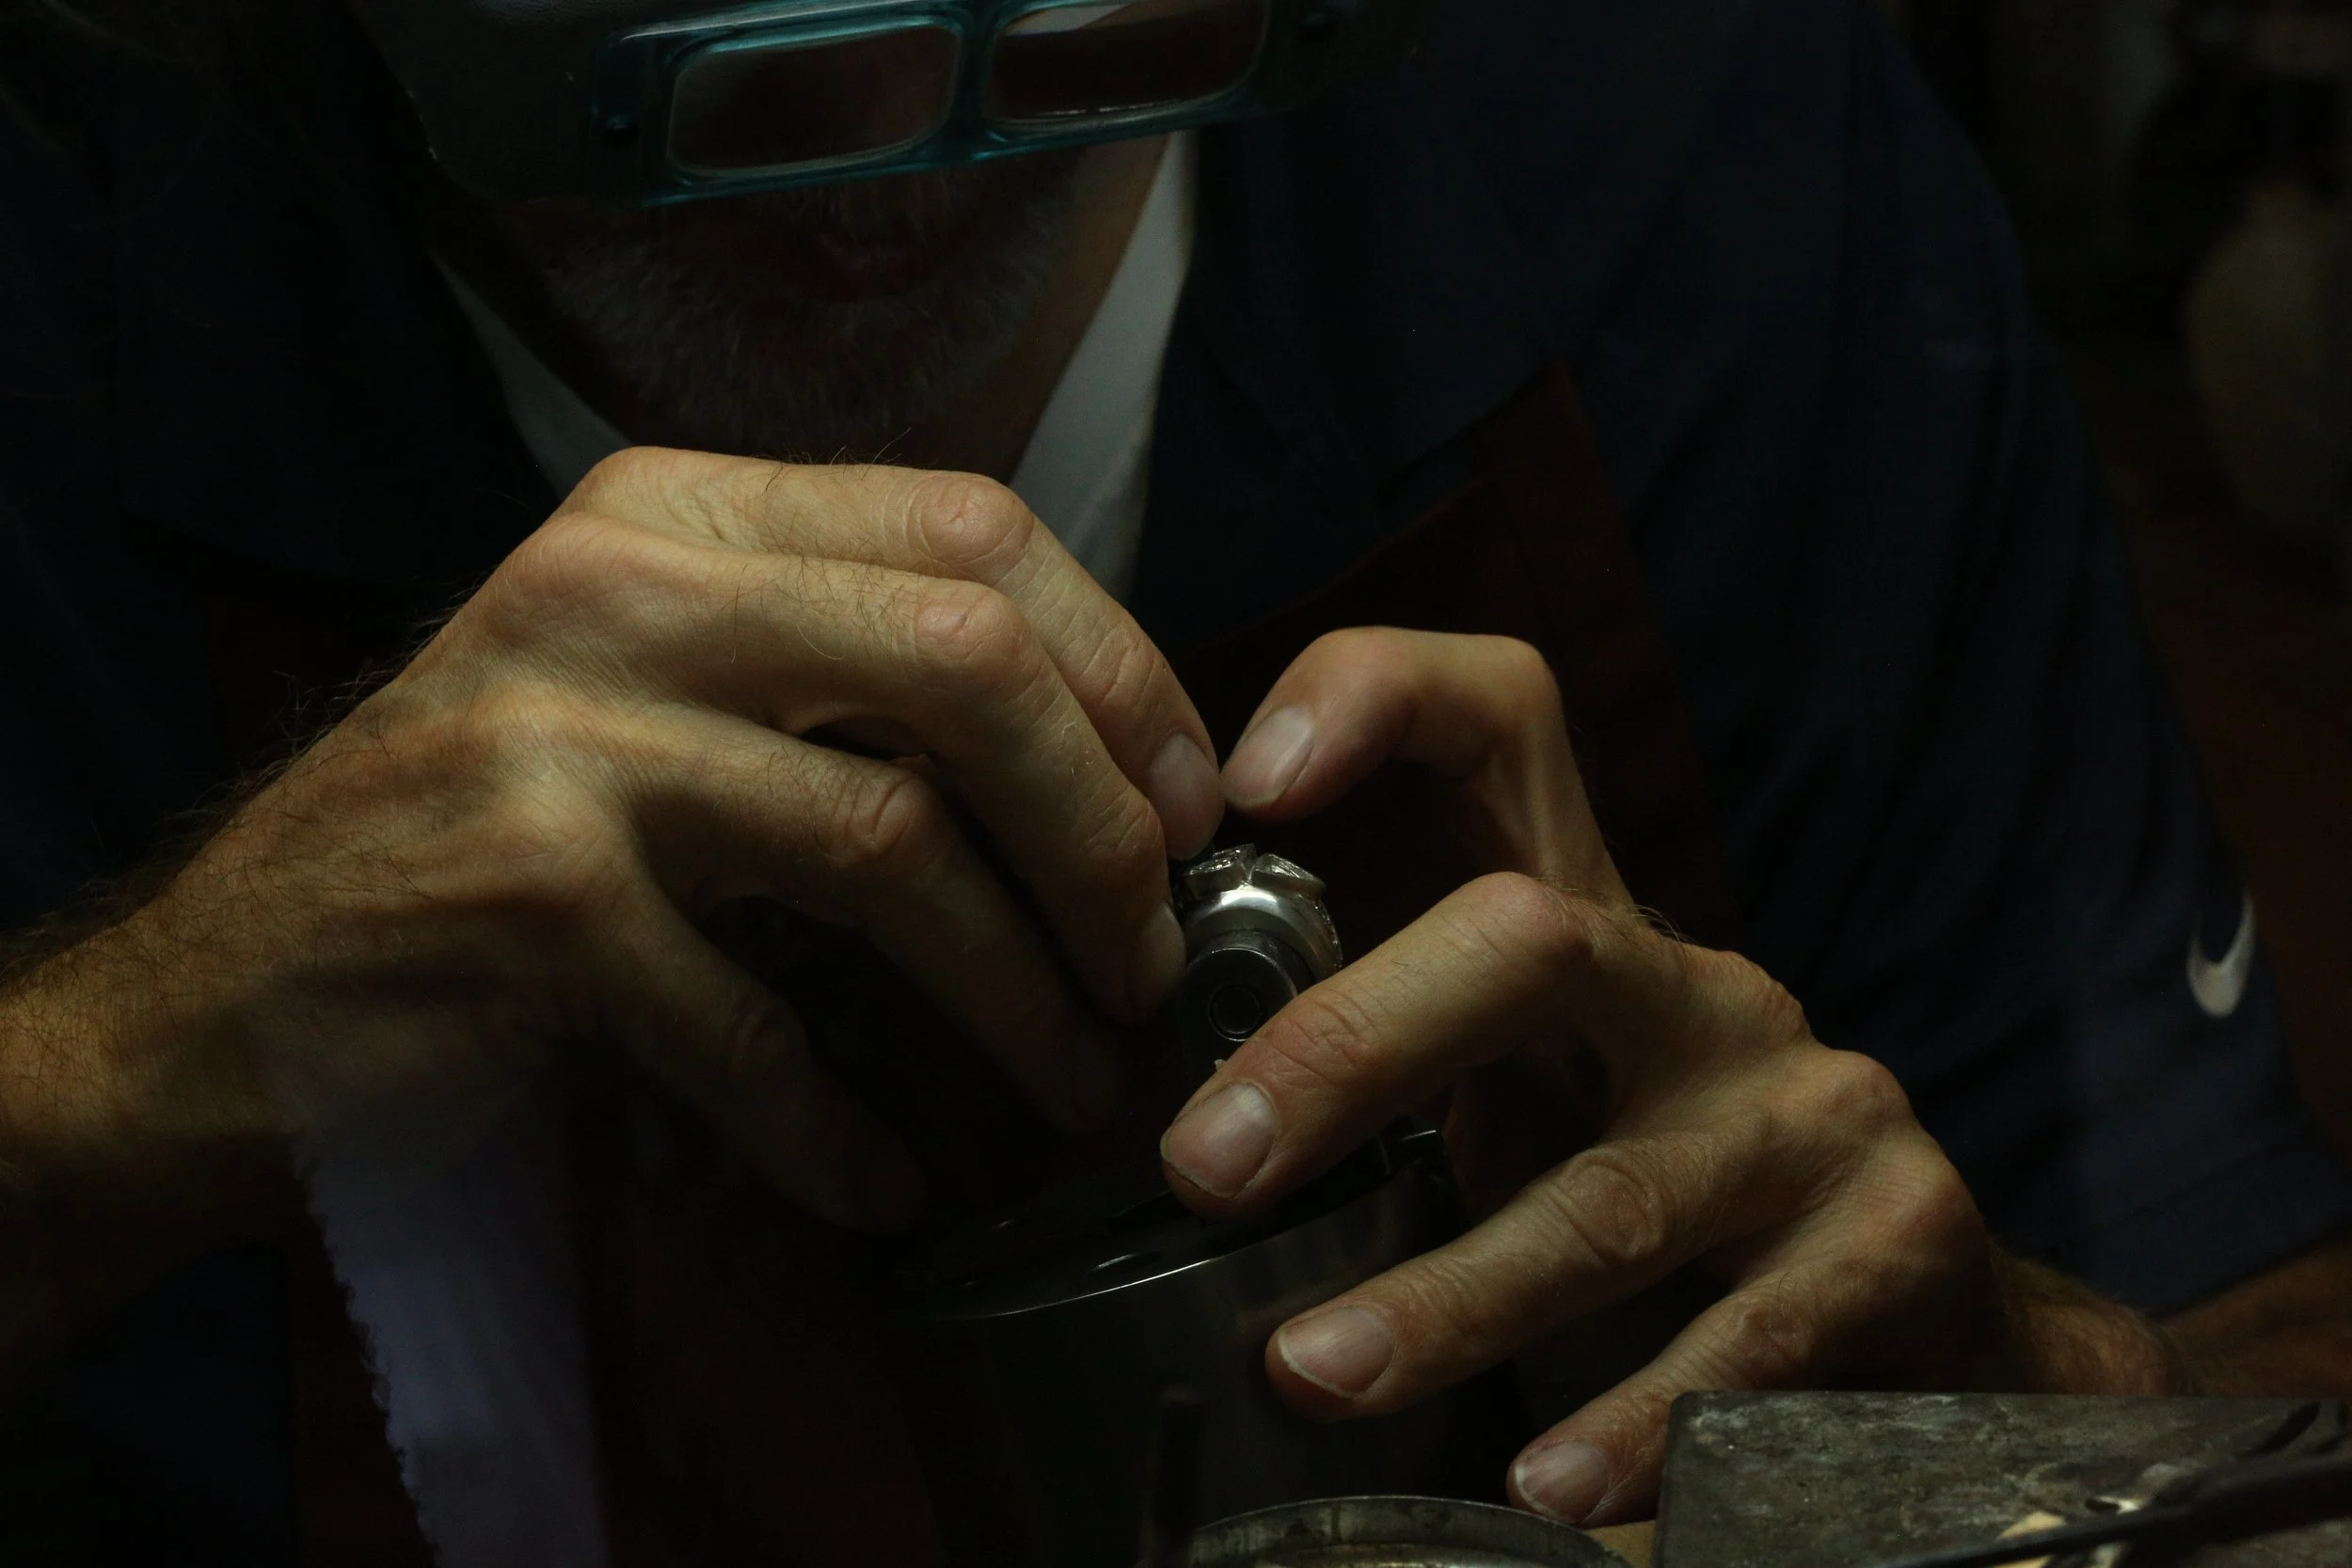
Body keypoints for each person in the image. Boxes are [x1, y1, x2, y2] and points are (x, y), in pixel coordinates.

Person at [2, 0, 2349, 1560]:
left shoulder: (1679, 152)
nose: (867, 175)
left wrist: (1999, 1423)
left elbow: (2242, 1358)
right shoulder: (75, 239)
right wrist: (95, 1078)